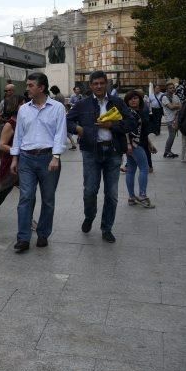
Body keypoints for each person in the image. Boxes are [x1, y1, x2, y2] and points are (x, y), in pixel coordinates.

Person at [67, 71, 136, 244]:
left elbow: (131, 123)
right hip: (91, 152)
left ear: (107, 84)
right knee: (90, 190)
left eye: (101, 83)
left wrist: (112, 125)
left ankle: (107, 228)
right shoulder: (82, 104)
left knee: (111, 194)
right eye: (95, 83)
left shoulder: (117, 102)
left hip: (113, 152)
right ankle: (89, 216)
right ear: (90, 86)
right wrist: (78, 129)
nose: (98, 86)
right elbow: (67, 121)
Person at [10, 72, 67, 252]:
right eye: (27, 85)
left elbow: (60, 133)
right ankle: (23, 238)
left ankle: (43, 234)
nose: (27, 89)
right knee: (26, 197)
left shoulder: (57, 108)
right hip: (26, 158)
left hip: (48, 158)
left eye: (30, 85)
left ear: (41, 88)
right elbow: (18, 134)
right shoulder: (23, 109)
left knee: (48, 199)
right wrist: (14, 157)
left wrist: (56, 156)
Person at [0, 95, 24, 224]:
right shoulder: (10, 124)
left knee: (27, 193)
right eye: (22, 103)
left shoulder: (24, 121)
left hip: (25, 163)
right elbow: (2, 145)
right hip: (10, 162)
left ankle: (28, 219)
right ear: (16, 106)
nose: (25, 106)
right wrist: (18, 151)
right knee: (4, 190)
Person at [123, 91, 156, 208]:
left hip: (137, 143)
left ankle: (132, 198)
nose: (133, 100)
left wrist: (149, 143)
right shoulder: (128, 113)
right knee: (144, 168)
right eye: (130, 99)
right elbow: (125, 129)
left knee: (131, 170)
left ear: (140, 100)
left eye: (135, 98)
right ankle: (142, 196)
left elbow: (142, 131)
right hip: (134, 144)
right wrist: (128, 144)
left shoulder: (139, 112)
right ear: (127, 101)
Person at [51, 85, 77, 151]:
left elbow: (56, 106)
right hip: (64, 112)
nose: (52, 93)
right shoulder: (61, 95)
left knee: (62, 130)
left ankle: (71, 144)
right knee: (66, 130)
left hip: (60, 114)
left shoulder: (57, 96)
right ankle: (73, 144)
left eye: (52, 91)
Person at [161, 83, 181, 158]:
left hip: (176, 118)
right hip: (170, 119)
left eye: (173, 88)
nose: (172, 89)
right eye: (170, 88)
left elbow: (181, 106)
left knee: (172, 136)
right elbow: (171, 107)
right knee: (171, 136)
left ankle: (168, 151)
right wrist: (176, 106)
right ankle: (167, 151)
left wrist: (174, 105)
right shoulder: (164, 97)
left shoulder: (175, 96)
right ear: (167, 89)